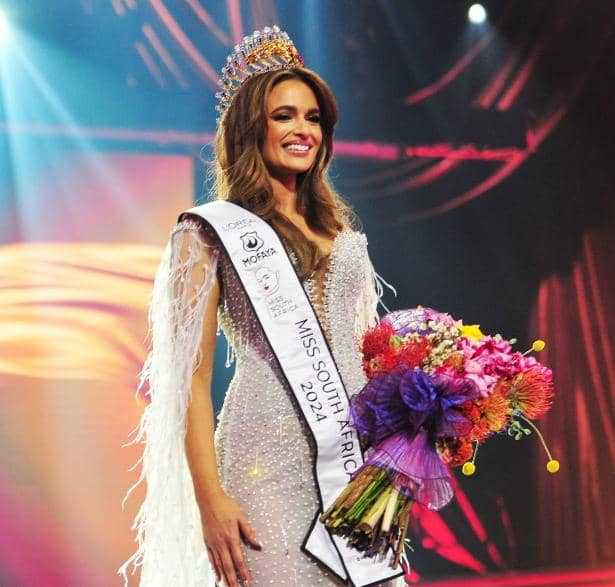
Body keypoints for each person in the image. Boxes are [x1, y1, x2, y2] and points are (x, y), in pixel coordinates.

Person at [118, 26, 402, 587]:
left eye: (313, 118)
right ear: (252, 128)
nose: (303, 130)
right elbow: (190, 380)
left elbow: (363, 349)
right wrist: (210, 500)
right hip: (261, 462)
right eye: (284, 116)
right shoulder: (208, 233)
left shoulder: (341, 231)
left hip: (353, 461)